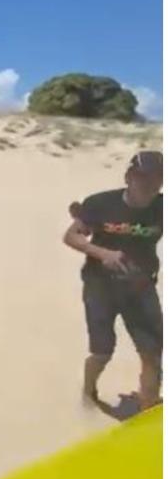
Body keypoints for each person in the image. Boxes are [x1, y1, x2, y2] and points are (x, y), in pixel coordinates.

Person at [63, 149, 163, 410]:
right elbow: (71, 236)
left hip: (141, 288)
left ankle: (148, 404)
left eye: (158, 178)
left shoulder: (161, 208)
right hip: (100, 287)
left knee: (152, 352)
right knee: (102, 353)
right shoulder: (101, 203)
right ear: (129, 176)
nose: (150, 184)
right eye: (144, 177)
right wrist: (102, 253)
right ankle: (88, 391)